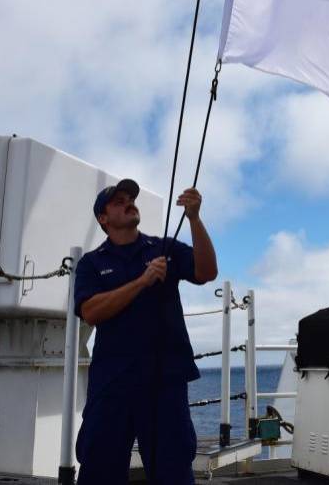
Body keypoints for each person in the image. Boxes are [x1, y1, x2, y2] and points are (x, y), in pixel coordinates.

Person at [72, 178, 217, 484]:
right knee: (99, 470)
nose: (129, 203)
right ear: (103, 218)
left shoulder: (164, 248)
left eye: (131, 199)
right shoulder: (91, 263)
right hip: (112, 382)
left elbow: (206, 271)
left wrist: (194, 219)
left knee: (173, 472)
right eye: (119, 201)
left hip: (165, 381)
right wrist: (142, 282)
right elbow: (90, 312)